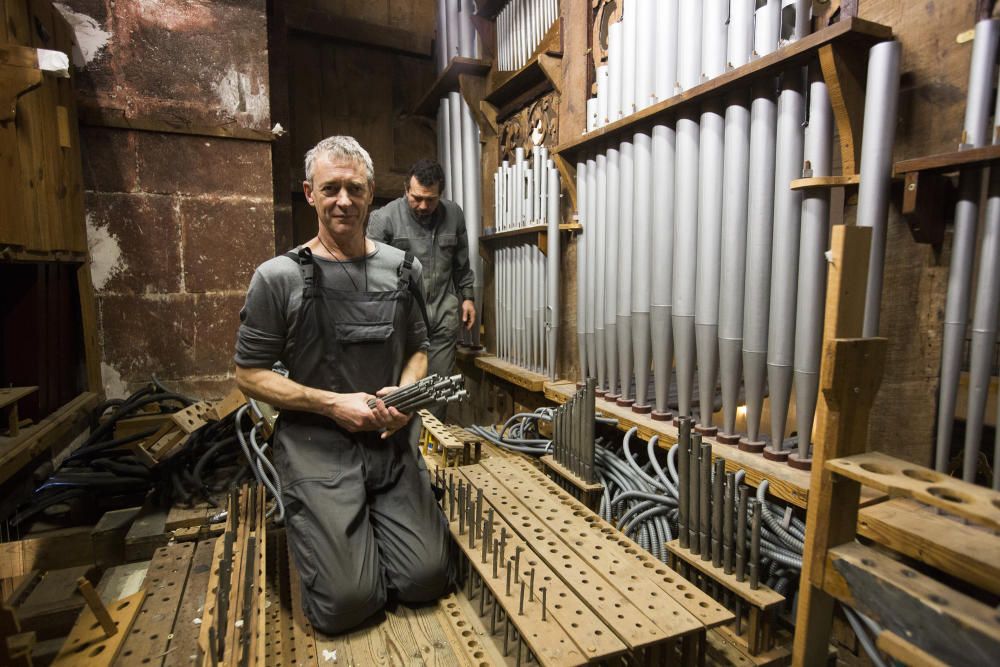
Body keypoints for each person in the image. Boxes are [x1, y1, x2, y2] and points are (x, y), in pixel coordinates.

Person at [233, 136, 451, 635]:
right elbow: (248, 373)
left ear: (371, 192)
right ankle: (328, 527)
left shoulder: (403, 269)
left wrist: (405, 392)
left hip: (388, 441)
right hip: (316, 446)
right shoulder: (278, 278)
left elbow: (419, 348)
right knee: (348, 602)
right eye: (330, 188)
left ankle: (366, 529)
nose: (343, 201)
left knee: (426, 579)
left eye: (354, 188)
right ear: (309, 193)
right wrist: (332, 405)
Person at [367, 159, 476, 431]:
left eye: (431, 199)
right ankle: (402, 444)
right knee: (399, 391)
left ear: (441, 193)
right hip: (400, 320)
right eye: (417, 198)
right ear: (406, 189)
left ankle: (430, 449)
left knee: (437, 389)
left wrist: (468, 297)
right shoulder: (385, 218)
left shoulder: (455, 215)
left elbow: (462, 263)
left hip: (442, 316)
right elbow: (369, 272)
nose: (424, 206)